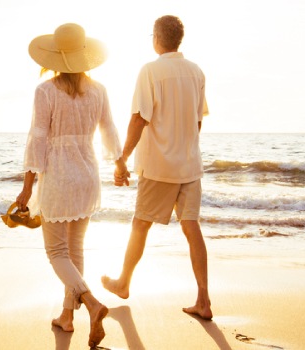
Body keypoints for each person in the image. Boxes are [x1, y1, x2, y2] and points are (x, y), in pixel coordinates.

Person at [16, 23, 122, 347]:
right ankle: (67, 316)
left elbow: (38, 139)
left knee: (57, 251)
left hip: (60, 176)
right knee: (75, 249)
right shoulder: (99, 90)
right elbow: (108, 129)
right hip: (88, 175)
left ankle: (91, 303)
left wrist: (26, 187)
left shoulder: (45, 91)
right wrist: (119, 162)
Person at [102, 15, 213, 320]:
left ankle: (123, 282)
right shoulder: (196, 72)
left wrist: (122, 158)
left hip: (159, 166)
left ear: (157, 38)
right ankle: (204, 300)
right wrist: (185, 147)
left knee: (140, 224)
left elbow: (139, 118)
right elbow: (198, 121)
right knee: (192, 228)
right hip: (190, 165)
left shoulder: (150, 71)